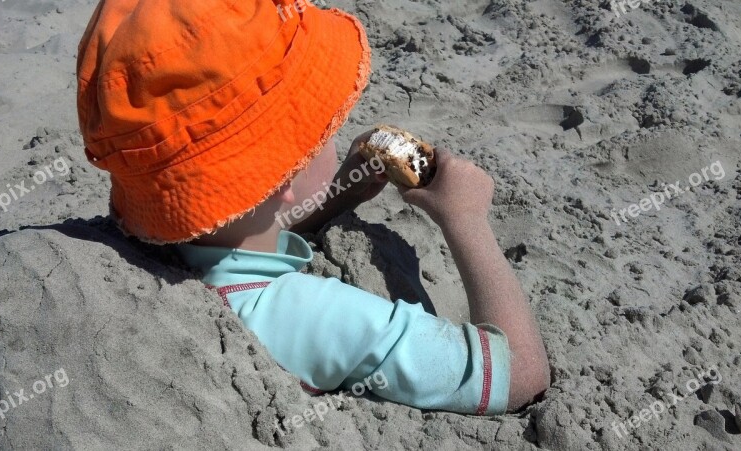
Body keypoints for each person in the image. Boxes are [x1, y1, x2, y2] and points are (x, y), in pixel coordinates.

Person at [76, 0, 549, 416]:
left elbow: (237, 231)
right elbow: (519, 375)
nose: (335, 131)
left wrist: (336, 194)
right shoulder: (307, 313)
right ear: (285, 181)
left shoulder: (164, 245)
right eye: (325, 126)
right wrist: (465, 218)